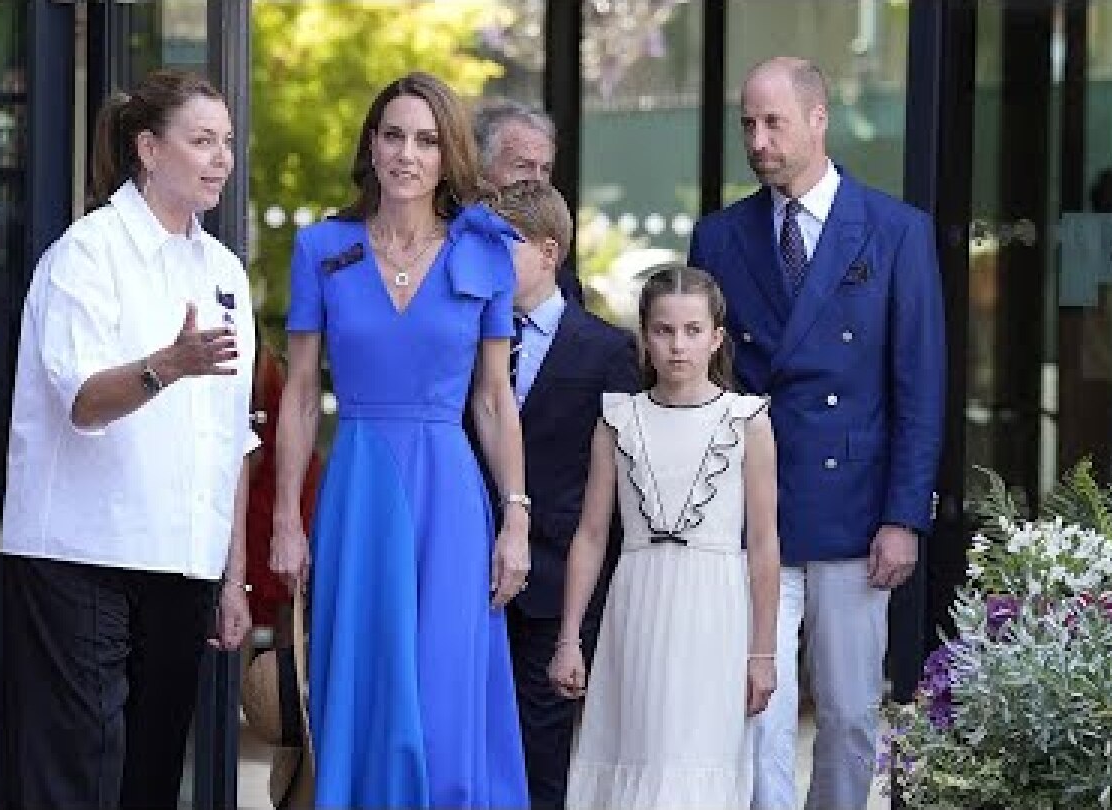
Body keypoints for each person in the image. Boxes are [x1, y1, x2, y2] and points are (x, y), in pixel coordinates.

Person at [688, 56, 946, 810]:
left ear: (818, 120)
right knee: (755, 708)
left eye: (773, 122)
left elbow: (920, 388)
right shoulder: (719, 235)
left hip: (856, 515)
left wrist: (903, 516)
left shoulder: (897, 231)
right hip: (753, 511)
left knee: (847, 715)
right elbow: (709, 384)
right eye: (748, 123)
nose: (757, 140)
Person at [270, 71, 531, 809]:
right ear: (372, 147)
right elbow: (296, 394)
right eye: (393, 136)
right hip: (358, 489)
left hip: (450, 497)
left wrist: (516, 516)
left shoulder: (483, 251)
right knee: (367, 694)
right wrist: (286, 517)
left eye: (424, 140)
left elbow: (493, 397)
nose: (407, 154)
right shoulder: (323, 248)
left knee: (445, 704)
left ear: (447, 155)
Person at [0, 68, 256, 809]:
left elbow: (230, 437)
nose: (220, 160)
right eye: (201, 141)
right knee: (79, 779)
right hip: (82, 554)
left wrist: (231, 574)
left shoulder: (223, 271)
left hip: (181, 563)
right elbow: (80, 400)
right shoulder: (87, 253)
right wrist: (166, 366)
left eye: (227, 143)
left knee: (148, 779)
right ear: (148, 148)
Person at [550, 264, 780, 809]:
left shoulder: (747, 421)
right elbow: (590, 534)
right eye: (664, 330)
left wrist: (763, 652)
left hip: (717, 614)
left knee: (699, 766)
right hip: (637, 605)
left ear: (716, 337)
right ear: (644, 338)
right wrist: (568, 639)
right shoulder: (618, 419)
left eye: (693, 330)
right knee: (637, 758)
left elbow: (765, 543)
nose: (678, 345)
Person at [487, 179, 639, 810]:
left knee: (542, 753)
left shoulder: (607, 351)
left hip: (558, 584)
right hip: (473, 568)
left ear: (549, 252)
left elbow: (624, 482)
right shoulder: (472, 336)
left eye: (507, 247)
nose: (490, 263)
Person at [473, 98, 583, 304]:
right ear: (480, 170)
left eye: (546, 169)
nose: (537, 180)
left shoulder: (563, 287)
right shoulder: (442, 254)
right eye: (523, 166)